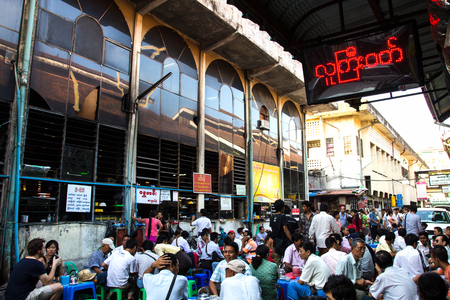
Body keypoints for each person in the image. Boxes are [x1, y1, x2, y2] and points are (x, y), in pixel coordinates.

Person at [269, 199, 292, 266]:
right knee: (286, 261)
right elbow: (285, 230)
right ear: (283, 208)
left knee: (277, 262)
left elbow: (273, 229)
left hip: (276, 243)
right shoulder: (283, 217)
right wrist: (291, 239)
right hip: (284, 243)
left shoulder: (272, 217)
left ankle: (278, 274)